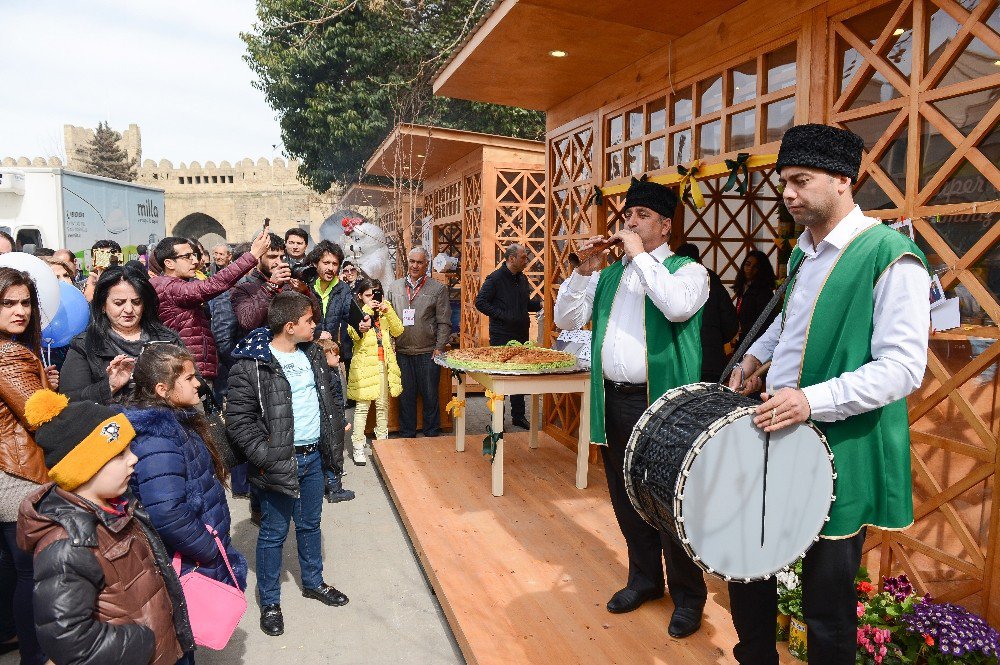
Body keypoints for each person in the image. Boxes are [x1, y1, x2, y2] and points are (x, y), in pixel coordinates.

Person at [725, 124, 930, 665]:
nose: (788, 193)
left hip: (838, 445)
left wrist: (810, 400)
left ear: (844, 179)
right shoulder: (802, 253)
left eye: (801, 180)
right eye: (784, 181)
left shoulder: (892, 255)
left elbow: (904, 368)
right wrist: (753, 357)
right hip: (776, 432)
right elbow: (787, 325)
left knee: (826, 598)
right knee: (748, 562)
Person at [553, 178, 709, 639]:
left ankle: (689, 595)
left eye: (641, 216)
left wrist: (639, 254)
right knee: (626, 495)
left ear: (665, 225)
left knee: (667, 498)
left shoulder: (688, 270)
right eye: (628, 215)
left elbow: (677, 308)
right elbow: (566, 319)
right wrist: (584, 269)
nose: (629, 223)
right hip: (616, 400)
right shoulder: (611, 273)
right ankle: (644, 579)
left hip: (662, 405)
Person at [17, 390, 194, 665]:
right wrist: (144, 643)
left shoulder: (117, 507)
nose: (133, 458)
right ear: (86, 468)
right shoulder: (67, 544)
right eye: (119, 453)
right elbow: (69, 641)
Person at [225, 292, 349, 636]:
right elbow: (238, 421)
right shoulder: (251, 364)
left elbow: (327, 398)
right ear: (290, 326)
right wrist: (266, 457)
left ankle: (313, 582)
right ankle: (270, 601)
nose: (316, 325)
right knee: (274, 533)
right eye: (310, 321)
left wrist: (334, 431)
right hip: (279, 462)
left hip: (312, 458)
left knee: (310, 524)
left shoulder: (312, 354)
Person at [125, 343, 248, 593]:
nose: (198, 384)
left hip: (204, 550)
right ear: (162, 389)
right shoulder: (157, 442)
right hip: (195, 559)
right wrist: (207, 549)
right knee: (201, 626)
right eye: (189, 378)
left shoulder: (178, 423)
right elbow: (167, 512)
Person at [0, 267, 59, 665]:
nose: (20, 311)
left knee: (10, 568)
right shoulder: (9, 353)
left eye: (26, 302)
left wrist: (43, 383)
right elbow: (38, 415)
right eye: (8, 303)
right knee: (29, 573)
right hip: (17, 474)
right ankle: (33, 656)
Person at [150, 231, 270, 384]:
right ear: (169, 263)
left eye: (194, 255)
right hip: (185, 372)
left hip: (193, 368)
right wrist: (252, 256)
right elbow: (212, 285)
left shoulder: (176, 284)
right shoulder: (168, 287)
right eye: (187, 257)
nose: (194, 261)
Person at [61, 265, 183, 403]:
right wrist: (110, 386)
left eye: (136, 302)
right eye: (119, 303)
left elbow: (194, 384)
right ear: (102, 305)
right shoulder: (85, 345)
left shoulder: (167, 340)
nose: (129, 309)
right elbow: (70, 400)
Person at [385, 246, 451, 438]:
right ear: (408, 262)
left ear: (426, 264)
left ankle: (431, 433)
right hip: (402, 352)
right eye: (412, 261)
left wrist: (439, 348)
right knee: (406, 397)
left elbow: (444, 322)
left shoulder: (438, 289)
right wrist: (390, 345)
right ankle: (407, 434)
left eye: (420, 262)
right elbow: (387, 320)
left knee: (431, 396)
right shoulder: (395, 287)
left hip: (428, 352)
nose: (415, 266)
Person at [474, 243, 542, 429]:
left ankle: (518, 416)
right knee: (501, 378)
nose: (526, 260)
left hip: (521, 334)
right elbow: (480, 302)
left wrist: (541, 305)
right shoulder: (495, 279)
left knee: (518, 376)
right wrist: (503, 314)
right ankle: (497, 420)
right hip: (501, 336)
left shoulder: (522, 279)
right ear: (511, 259)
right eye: (523, 257)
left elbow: (524, 305)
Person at [346, 279, 403, 465]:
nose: (373, 299)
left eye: (376, 294)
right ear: (360, 297)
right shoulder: (357, 313)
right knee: (362, 408)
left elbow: (398, 330)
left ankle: (382, 444)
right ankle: (358, 446)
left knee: (382, 405)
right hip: (364, 366)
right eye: (368, 295)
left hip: (383, 364)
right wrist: (368, 310)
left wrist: (388, 311)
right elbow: (354, 335)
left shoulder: (385, 312)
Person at [232, 233, 314, 341]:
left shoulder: (288, 284)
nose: (278, 262)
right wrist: (271, 286)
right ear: (259, 258)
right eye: (272, 257)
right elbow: (248, 321)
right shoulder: (243, 287)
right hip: (261, 351)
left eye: (281, 257)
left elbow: (314, 318)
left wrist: (307, 293)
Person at [675, 242, 738, 382]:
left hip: (680, 361)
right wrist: (715, 339)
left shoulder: (671, 281)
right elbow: (730, 323)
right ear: (699, 261)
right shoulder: (713, 282)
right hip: (711, 359)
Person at [308, 240, 355, 393]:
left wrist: (363, 323)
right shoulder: (305, 286)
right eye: (326, 262)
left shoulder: (343, 289)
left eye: (335, 264)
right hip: (308, 352)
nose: (330, 268)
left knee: (335, 397)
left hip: (330, 354)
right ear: (316, 263)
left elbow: (351, 314)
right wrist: (316, 333)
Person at [315, 338, 354, 503]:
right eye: (335, 355)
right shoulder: (330, 377)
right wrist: (343, 421)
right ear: (324, 357)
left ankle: (325, 485)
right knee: (334, 456)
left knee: (326, 454)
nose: (339, 358)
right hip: (333, 424)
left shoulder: (322, 374)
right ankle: (335, 489)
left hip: (324, 423)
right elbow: (336, 403)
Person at [733, 249, 778, 349]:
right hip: (743, 340)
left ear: (762, 270)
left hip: (756, 344)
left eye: (755, 267)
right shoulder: (743, 288)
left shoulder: (764, 293)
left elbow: (765, 321)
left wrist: (741, 328)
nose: (749, 269)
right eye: (747, 264)